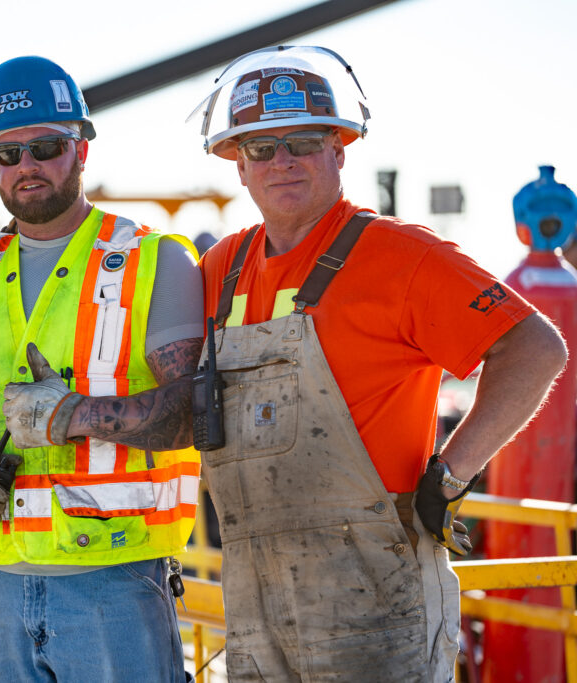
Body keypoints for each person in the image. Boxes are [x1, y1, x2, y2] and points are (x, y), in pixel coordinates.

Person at [189, 45, 567, 680]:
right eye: (261, 147)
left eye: (304, 141)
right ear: (238, 165)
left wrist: (453, 473)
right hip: (255, 598)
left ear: (340, 150)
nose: (282, 161)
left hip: (376, 596)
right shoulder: (221, 269)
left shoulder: (400, 255)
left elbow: (535, 348)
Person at [0, 55, 203, 682]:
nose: (26, 167)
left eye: (45, 147)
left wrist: (76, 415)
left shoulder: (154, 261)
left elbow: (198, 412)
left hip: (116, 585)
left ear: (82, 149)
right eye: (8, 154)